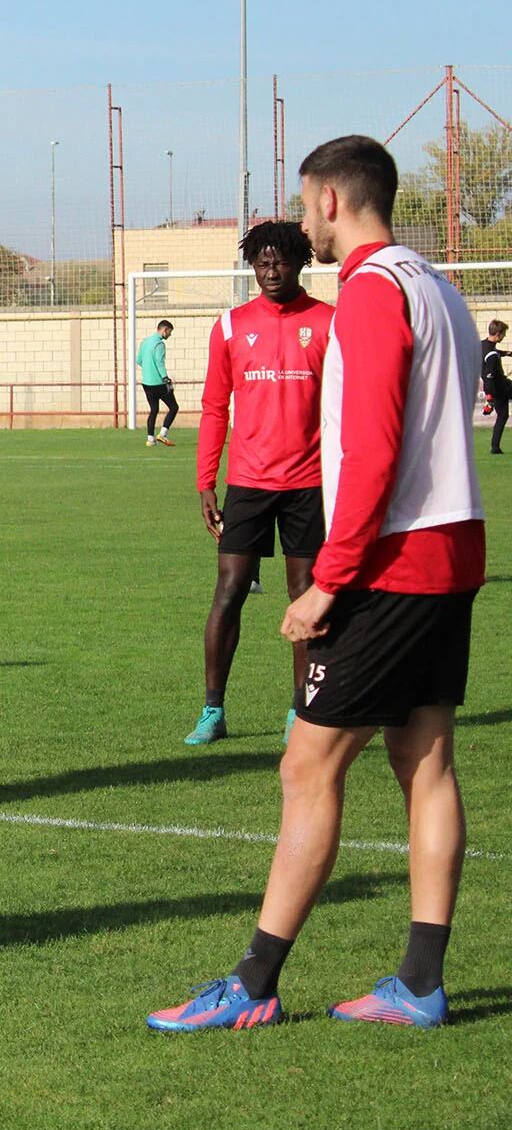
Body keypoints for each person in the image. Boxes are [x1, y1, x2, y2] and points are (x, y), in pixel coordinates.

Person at [150, 135, 484, 1032]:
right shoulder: (439, 285)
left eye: (304, 207)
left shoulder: (372, 293)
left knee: (308, 764)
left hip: (390, 564)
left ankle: (254, 983)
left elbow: (373, 452)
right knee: (425, 760)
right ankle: (418, 982)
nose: (303, 225)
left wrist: (328, 582)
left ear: (332, 199)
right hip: (452, 553)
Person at [186, 222, 334, 747]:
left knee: (306, 596)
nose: (271, 272)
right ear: (252, 266)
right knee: (228, 591)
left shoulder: (329, 323)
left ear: (300, 263)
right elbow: (212, 406)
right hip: (247, 482)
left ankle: (303, 712)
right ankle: (212, 710)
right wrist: (207, 480)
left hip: (310, 483)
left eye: (281, 262)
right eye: (262, 263)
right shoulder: (230, 325)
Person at [138, 320, 178, 446]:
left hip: (146, 382)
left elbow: (139, 360)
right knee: (174, 407)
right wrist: (165, 378)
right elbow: (160, 363)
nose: (169, 335)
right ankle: (163, 434)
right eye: (169, 332)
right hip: (158, 383)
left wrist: (148, 370)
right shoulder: (159, 344)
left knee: (154, 409)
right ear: (164, 330)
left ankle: (150, 439)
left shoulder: (145, 342)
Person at [481, 319, 508, 455]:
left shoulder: (483, 345)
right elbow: (488, 377)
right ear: (498, 334)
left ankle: (495, 447)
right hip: (500, 387)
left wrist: (506, 353)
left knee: (502, 416)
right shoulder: (491, 356)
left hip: (497, 389)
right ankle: (495, 447)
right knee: (502, 415)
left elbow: (494, 352)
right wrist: (489, 397)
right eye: (503, 334)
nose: (504, 337)